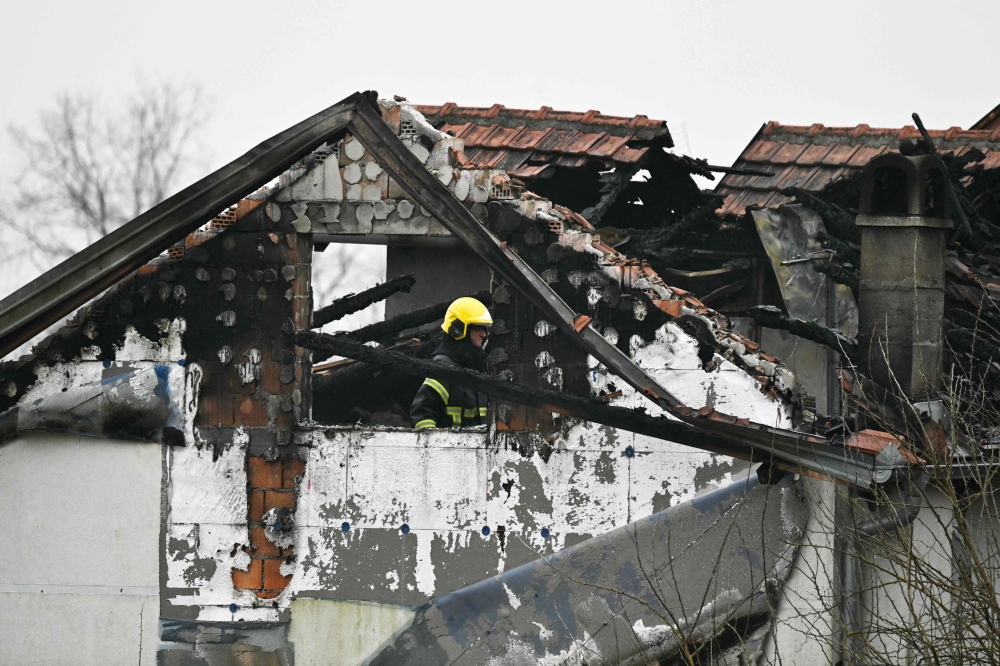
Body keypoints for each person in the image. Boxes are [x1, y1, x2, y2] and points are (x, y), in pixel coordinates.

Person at [410, 297, 492, 430]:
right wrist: (435, 444)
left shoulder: (479, 366)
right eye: (477, 328)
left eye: (484, 329)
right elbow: (422, 413)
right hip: (452, 449)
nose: (483, 334)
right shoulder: (443, 367)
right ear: (459, 329)